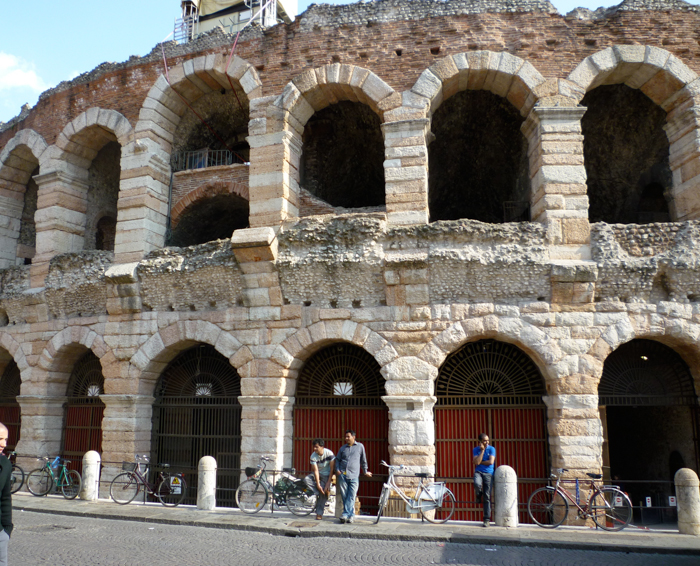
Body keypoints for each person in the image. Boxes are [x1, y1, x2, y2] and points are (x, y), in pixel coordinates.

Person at [335, 430, 372, 524]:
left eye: (348, 436)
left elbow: (363, 460)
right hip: (343, 475)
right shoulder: (343, 448)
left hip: (354, 475)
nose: (346, 438)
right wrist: (337, 470)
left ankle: (345, 514)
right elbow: (337, 460)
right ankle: (351, 516)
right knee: (344, 495)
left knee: (351, 495)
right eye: (346, 437)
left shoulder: (360, 447)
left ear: (353, 437)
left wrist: (365, 471)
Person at [303, 438, 335, 520]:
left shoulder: (329, 454)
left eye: (316, 447)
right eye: (314, 447)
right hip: (318, 475)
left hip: (327, 475)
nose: (315, 449)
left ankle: (319, 513)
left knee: (323, 493)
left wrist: (328, 482)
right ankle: (318, 492)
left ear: (322, 447)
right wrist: (317, 484)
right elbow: (316, 471)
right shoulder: (313, 456)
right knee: (306, 479)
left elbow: (332, 469)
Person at [473, 432, 496, 527]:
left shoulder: (492, 449)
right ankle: (478, 494)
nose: (487, 442)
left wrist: (480, 461)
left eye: (487, 440)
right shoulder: (476, 450)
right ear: (480, 442)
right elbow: (476, 462)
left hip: (489, 473)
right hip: (478, 472)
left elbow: (491, 462)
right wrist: (482, 451)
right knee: (477, 484)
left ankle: (486, 519)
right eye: (484, 441)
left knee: (487, 496)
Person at [0, 423, 13, 565]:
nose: (4, 444)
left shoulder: (5, 464)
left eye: (5, 439)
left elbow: (5, 497)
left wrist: (7, 530)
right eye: (0, 439)